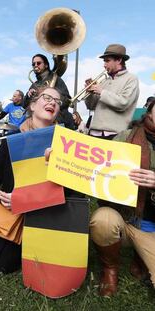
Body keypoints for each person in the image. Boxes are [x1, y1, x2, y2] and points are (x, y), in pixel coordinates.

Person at [0, 86, 62, 273]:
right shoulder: (14, 138)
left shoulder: (64, 141)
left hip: (50, 212)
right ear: (32, 105)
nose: (52, 102)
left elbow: (71, 191)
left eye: (57, 101)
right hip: (13, 211)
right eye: (47, 97)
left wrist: (27, 200)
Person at [90, 99, 155, 296]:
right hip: (124, 219)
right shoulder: (126, 137)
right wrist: (58, 157)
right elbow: (96, 169)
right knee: (103, 219)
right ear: (149, 112)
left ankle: (141, 257)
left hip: (151, 227)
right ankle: (110, 269)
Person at [85, 44, 139, 140]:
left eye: (107, 61)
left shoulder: (131, 79)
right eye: (104, 61)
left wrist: (101, 92)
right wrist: (89, 93)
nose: (104, 65)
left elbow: (123, 103)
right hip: (93, 133)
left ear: (119, 60)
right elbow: (90, 106)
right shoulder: (104, 81)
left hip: (115, 135)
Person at [23, 53, 75, 130]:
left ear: (46, 65)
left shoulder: (56, 79)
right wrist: (28, 95)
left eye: (39, 63)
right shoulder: (34, 84)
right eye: (33, 64)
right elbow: (24, 105)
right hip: (38, 125)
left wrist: (51, 98)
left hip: (57, 122)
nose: (35, 65)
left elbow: (67, 100)